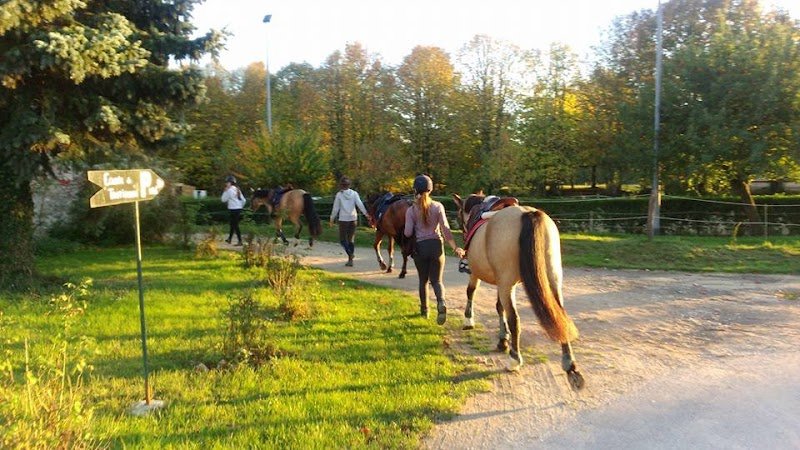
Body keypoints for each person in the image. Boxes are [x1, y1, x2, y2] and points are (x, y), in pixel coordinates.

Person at [404, 174, 465, 324]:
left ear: (415, 190)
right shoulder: (438, 206)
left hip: (420, 248)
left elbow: (407, 233)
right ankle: (441, 302)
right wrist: (455, 247)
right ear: (430, 190)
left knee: (423, 281)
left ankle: (425, 311)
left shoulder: (411, 210)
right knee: (437, 281)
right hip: (437, 246)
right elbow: (446, 229)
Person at [329, 176, 370, 266]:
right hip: (353, 219)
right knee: (351, 239)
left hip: (343, 219)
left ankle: (350, 255)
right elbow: (360, 204)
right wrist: (366, 214)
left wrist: (332, 219)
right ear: (349, 185)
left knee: (343, 240)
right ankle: (350, 260)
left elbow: (336, 208)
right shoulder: (354, 194)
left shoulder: (339, 195)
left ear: (341, 185)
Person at [221, 175, 245, 246]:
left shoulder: (229, 190)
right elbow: (244, 200)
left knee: (235, 225)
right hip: (238, 209)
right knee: (232, 224)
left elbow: (223, 200)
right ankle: (230, 239)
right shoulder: (238, 190)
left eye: (227, 182)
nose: (226, 183)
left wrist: (225, 191)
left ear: (230, 183)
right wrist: (240, 206)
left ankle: (240, 241)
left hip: (233, 209)